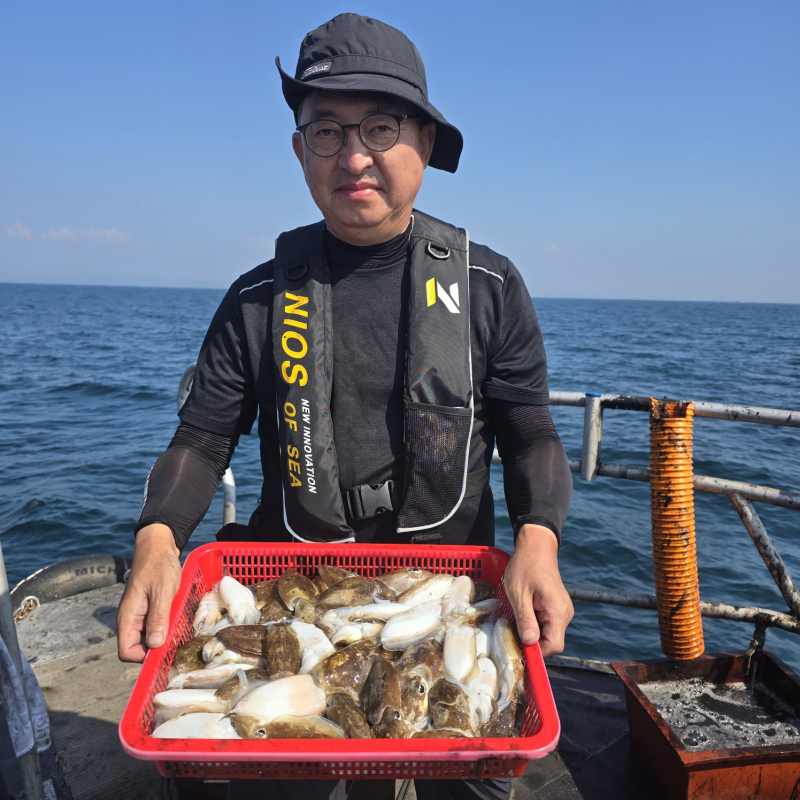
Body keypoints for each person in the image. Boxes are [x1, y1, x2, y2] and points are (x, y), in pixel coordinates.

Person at [117, 13, 574, 800]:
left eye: (380, 126)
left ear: (425, 142)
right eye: (325, 131)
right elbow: (201, 438)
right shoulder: (257, 301)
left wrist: (540, 536)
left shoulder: (490, 289)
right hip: (296, 596)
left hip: (453, 594)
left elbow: (531, 432)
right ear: (299, 149)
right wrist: (158, 537)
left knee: (476, 770)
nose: (354, 155)